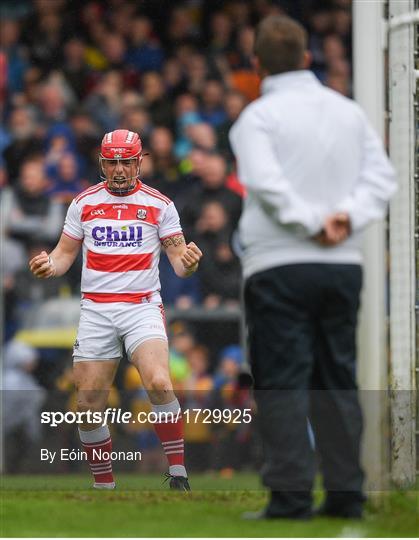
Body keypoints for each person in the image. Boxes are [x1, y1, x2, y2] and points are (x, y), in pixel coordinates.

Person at [229, 15, 397, 519]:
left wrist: (311, 223)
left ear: (257, 65)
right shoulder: (349, 113)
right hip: (342, 263)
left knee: (282, 380)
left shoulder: (256, 119)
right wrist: (343, 220)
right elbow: (382, 179)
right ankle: (346, 494)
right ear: (307, 59)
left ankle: (290, 496)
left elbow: (266, 183)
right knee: (337, 378)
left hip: (279, 264)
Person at [29, 129, 202, 491]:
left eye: (126, 161)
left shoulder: (160, 205)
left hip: (142, 308)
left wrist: (190, 262)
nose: (119, 169)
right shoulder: (83, 203)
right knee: (89, 402)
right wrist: (49, 265)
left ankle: (178, 474)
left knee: (158, 382)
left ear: (140, 161)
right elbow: (63, 254)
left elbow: (179, 262)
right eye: (112, 161)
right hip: (96, 310)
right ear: (101, 162)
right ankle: (104, 488)